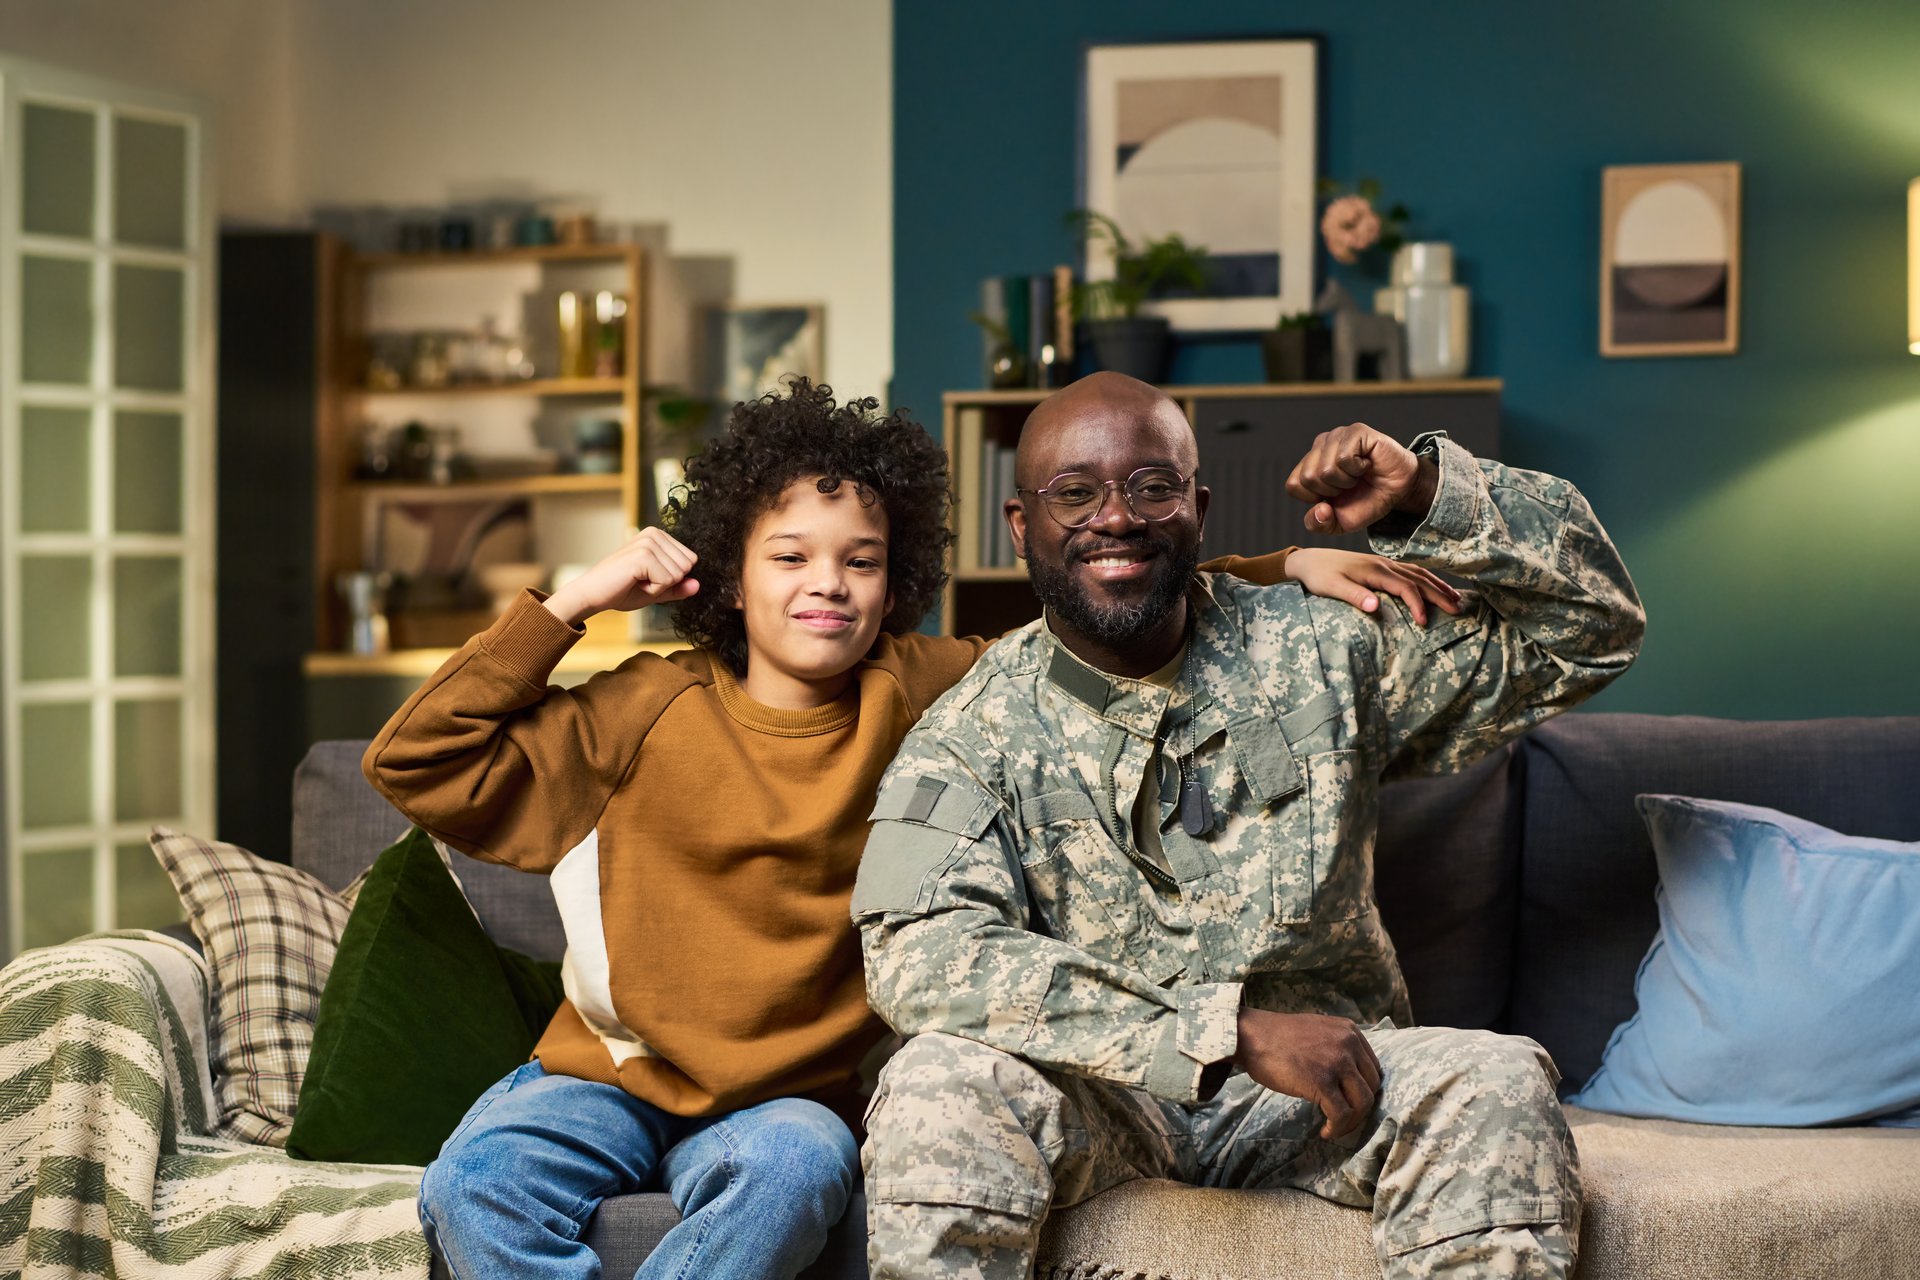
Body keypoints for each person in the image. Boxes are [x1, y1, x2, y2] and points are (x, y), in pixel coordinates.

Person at [363, 377, 1461, 1280]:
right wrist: (573, 602)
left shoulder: (933, 688)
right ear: (729, 576)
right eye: (789, 557)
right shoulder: (640, 706)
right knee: (471, 1183)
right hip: (607, 1072)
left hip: (795, 1104)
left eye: (861, 559)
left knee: (794, 1175)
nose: (825, 587)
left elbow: (1105, 604)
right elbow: (414, 760)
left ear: (897, 582)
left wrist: (1278, 570)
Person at [853, 371, 1647, 1280]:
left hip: (1322, 1096)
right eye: (1074, 492)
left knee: (1494, 1080)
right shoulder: (969, 735)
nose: (1116, 517)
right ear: (1021, 524)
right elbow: (919, 954)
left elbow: (1591, 631)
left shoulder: (1324, 645)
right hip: (1103, 1095)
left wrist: (1430, 493)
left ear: (1196, 507)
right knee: (937, 1082)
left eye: (1151, 487)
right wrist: (1219, 1031)